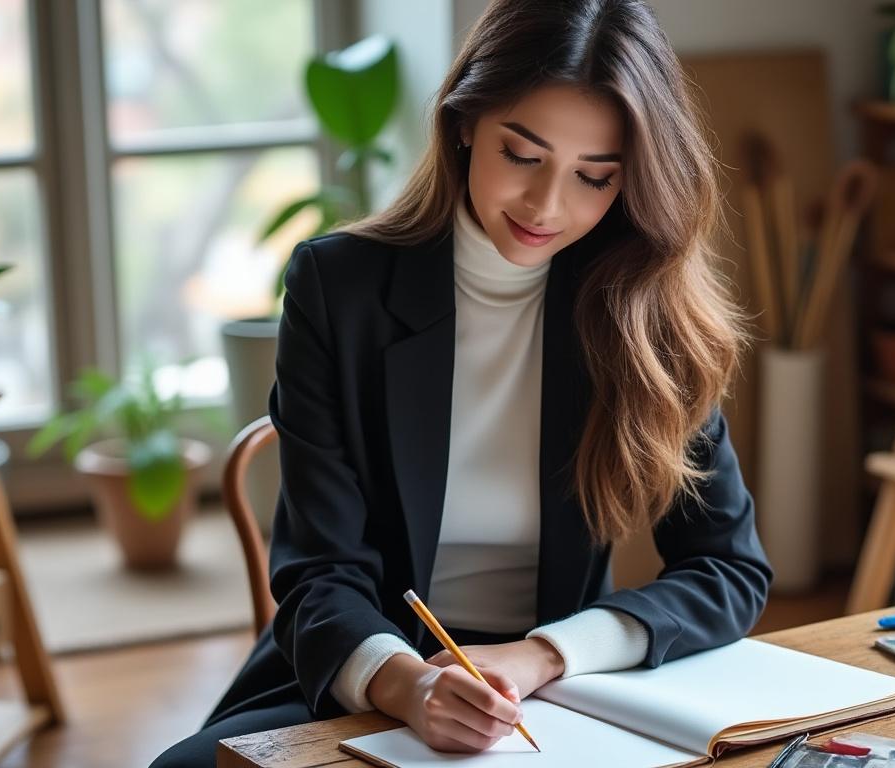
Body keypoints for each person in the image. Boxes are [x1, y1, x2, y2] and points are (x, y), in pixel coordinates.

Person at [151, 0, 771, 764]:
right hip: (364, 670)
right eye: (523, 155)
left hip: (559, 686)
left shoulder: (645, 312)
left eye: (594, 176)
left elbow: (728, 568)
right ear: (465, 121)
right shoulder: (339, 290)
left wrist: (546, 655)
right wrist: (411, 687)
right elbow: (319, 573)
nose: (547, 206)